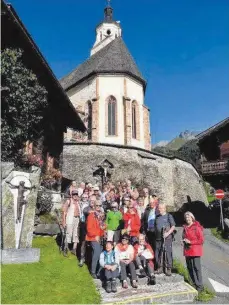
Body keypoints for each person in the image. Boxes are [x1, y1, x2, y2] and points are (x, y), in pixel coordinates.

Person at [182, 211, 204, 292]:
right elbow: (185, 237)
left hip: (195, 250)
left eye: (189, 217)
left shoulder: (197, 227)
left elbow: (201, 240)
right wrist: (184, 241)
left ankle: (200, 286)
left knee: (197, 268)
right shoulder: (185, 227)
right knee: (189, 268)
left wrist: (190, 242)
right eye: (186, 217)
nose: (187, 219)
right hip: (187, 250)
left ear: (192, 218)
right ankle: (193, 284)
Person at [86, 201, 106, 278]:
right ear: (94, 206)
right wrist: (95, 235)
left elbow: (102, 226)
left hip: (100, 237)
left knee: (100, 254)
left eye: (99, 205)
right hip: (93, 237)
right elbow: (89, 228)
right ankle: (93, 271)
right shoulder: (91, 215)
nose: (98, 207)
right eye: (96, 205)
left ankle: (98, 271)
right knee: (96, 254)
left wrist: (104, 227)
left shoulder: (100, 215)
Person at [154, 203, 175, 276]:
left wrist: (167, 233)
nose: (160, 210)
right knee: (158, 253)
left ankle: (168, 268)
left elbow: (173, 226)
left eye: (161, 208)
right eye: (159, 208)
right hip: (158, 238)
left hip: (167, 238)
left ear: (165, 208)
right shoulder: (157, 217)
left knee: (167, 253)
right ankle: (159, 268)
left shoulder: (169, 216)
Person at [62, 190, 81, 255]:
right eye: (74, 194)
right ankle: (66, 248)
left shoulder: (78, 203)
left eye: (76, 194)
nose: (75, 195)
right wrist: (64, 221)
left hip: (77, 220)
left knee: (76, 234)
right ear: (71, 195)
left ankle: (74, 249)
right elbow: (64, 212)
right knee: (68, 234)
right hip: (70, 219)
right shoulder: (68, 201)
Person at [78, 196, 95, 267]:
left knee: (93, 244)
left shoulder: (99, 207)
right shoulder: (86, 208)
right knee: (83, 243)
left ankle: (91, 260)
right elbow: (86, 212)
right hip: (86, 228)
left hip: (95, 229)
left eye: (93, 201)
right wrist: (94, 212)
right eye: (91, 201)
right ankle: (82, 258)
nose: (92, 202)